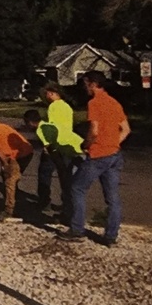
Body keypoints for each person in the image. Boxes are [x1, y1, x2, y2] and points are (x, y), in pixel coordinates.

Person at [58, 71, 131, 245]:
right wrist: (114, 143)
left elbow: (94, 131)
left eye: (85, 84)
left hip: (98, 154)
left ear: (92, 83)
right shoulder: (114, 103)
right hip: (114, 154)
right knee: (112, 197)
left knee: (77, 188)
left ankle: (77, 230)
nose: (84, 88)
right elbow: (126, 129)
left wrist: (86, 144)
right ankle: (111, 236)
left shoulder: (95, 103)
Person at [24, 102, 83, 225]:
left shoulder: (41, 130)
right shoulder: (48, 125)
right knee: (69, 184)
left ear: (30, 122)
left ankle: (69, 215)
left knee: (67, 184)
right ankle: (68, 212)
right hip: (77, 148)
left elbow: (52, 150)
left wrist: (61, 168)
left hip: (70, 152)